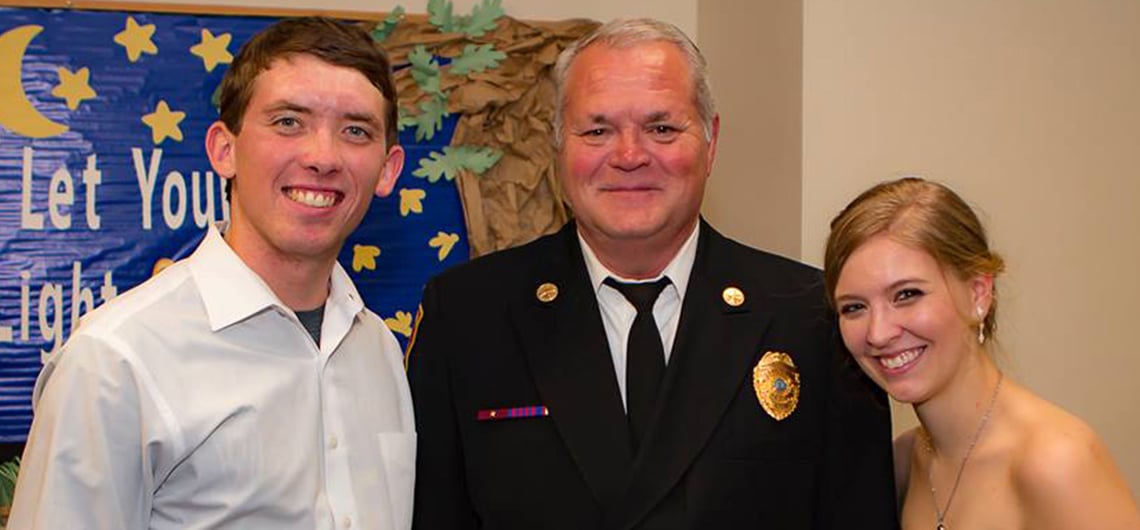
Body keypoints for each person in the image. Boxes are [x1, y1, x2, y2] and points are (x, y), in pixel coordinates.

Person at [407, 18, 898, 529]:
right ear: (558, 148)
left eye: (661, 128)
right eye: (597, 130)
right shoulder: (468, 315)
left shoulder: (811, 315)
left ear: (710, 142)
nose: (629, 156)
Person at [9, 17, 414, 529]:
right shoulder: (116, 361)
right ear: (224, 150)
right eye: (289, 121)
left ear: (387, 169)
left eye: (355, 131)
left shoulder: (378, 350)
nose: (322, 157)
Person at [825, 177, 1140, 529]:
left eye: (907, 295)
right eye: (853, 307)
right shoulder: (904, 463)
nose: (878, 333)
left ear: (978, 294)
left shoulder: (1056, 461)